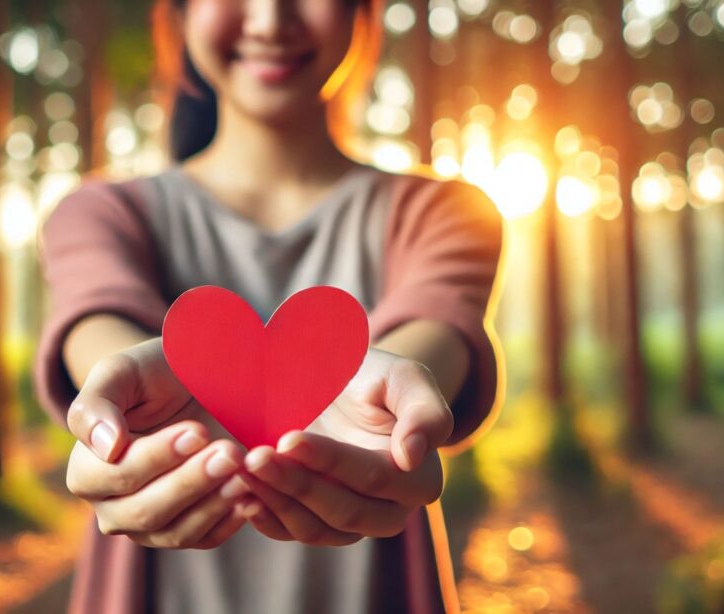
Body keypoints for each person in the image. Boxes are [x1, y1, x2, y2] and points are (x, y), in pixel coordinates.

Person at [33, 0, 504, 612]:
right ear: (175, 18)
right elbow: (99, 321)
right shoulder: (98, 214)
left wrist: (389, 402)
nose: (269, 18)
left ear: (364, 15)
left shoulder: (447, 213)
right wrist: (122, 399)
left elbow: (434, 331)